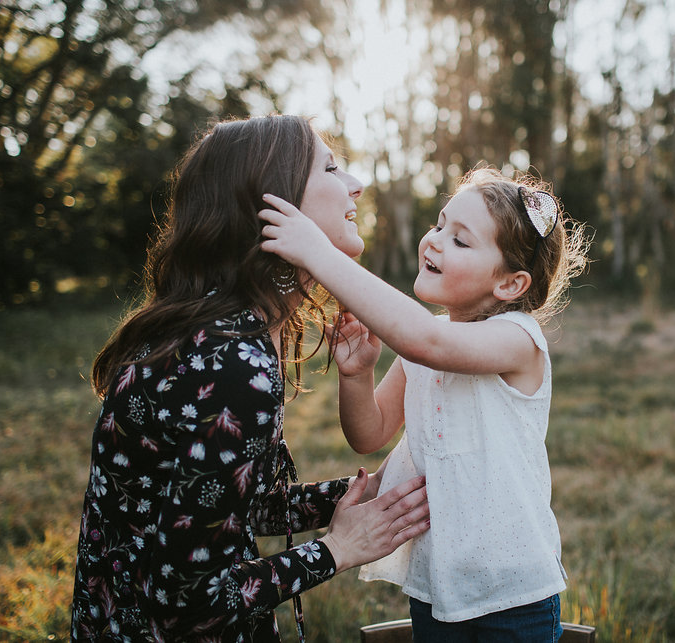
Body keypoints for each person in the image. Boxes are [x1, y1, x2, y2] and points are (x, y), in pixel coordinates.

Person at [70, 114, 430, 642]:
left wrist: (371, 494)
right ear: (277, 203)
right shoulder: (233, 363)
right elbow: (188, 602)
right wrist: (337, 549)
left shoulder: (210, 330)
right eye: (330, 168)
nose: (356, 183)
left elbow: (237, 507)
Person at [259, 166, 591, 642]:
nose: (434, 241)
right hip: (437, 584)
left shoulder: (517, 340)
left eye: (460, 240)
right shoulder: (426, 348)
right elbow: (368, 434)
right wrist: (356, 374)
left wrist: (319, 253)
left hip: (514, 591)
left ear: (510, 285)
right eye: (439, 224)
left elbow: (425, 339)